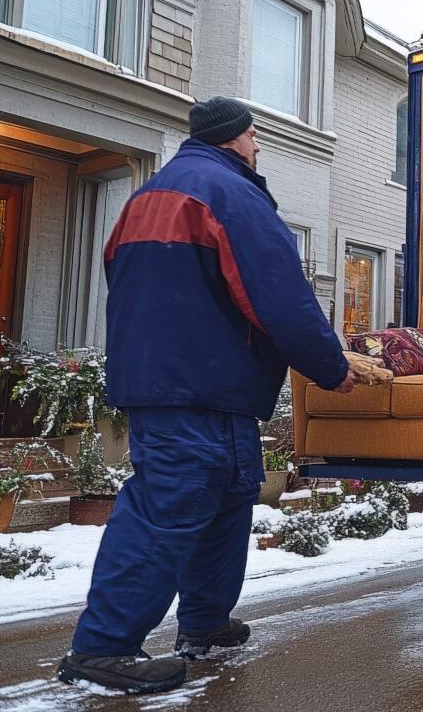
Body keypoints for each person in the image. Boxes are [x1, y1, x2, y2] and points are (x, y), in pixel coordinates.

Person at [57, 97, 355, 694]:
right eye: (254, 136)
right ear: (234, 139)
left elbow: (130, 283)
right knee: (167, 509)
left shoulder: (145, 197)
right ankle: (103, 648)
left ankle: (203, 622)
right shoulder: (230, 194)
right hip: (202, 385)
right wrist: (331, 366)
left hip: (187, 385)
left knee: (226, 499)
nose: (259, 146)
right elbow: (279, 295)